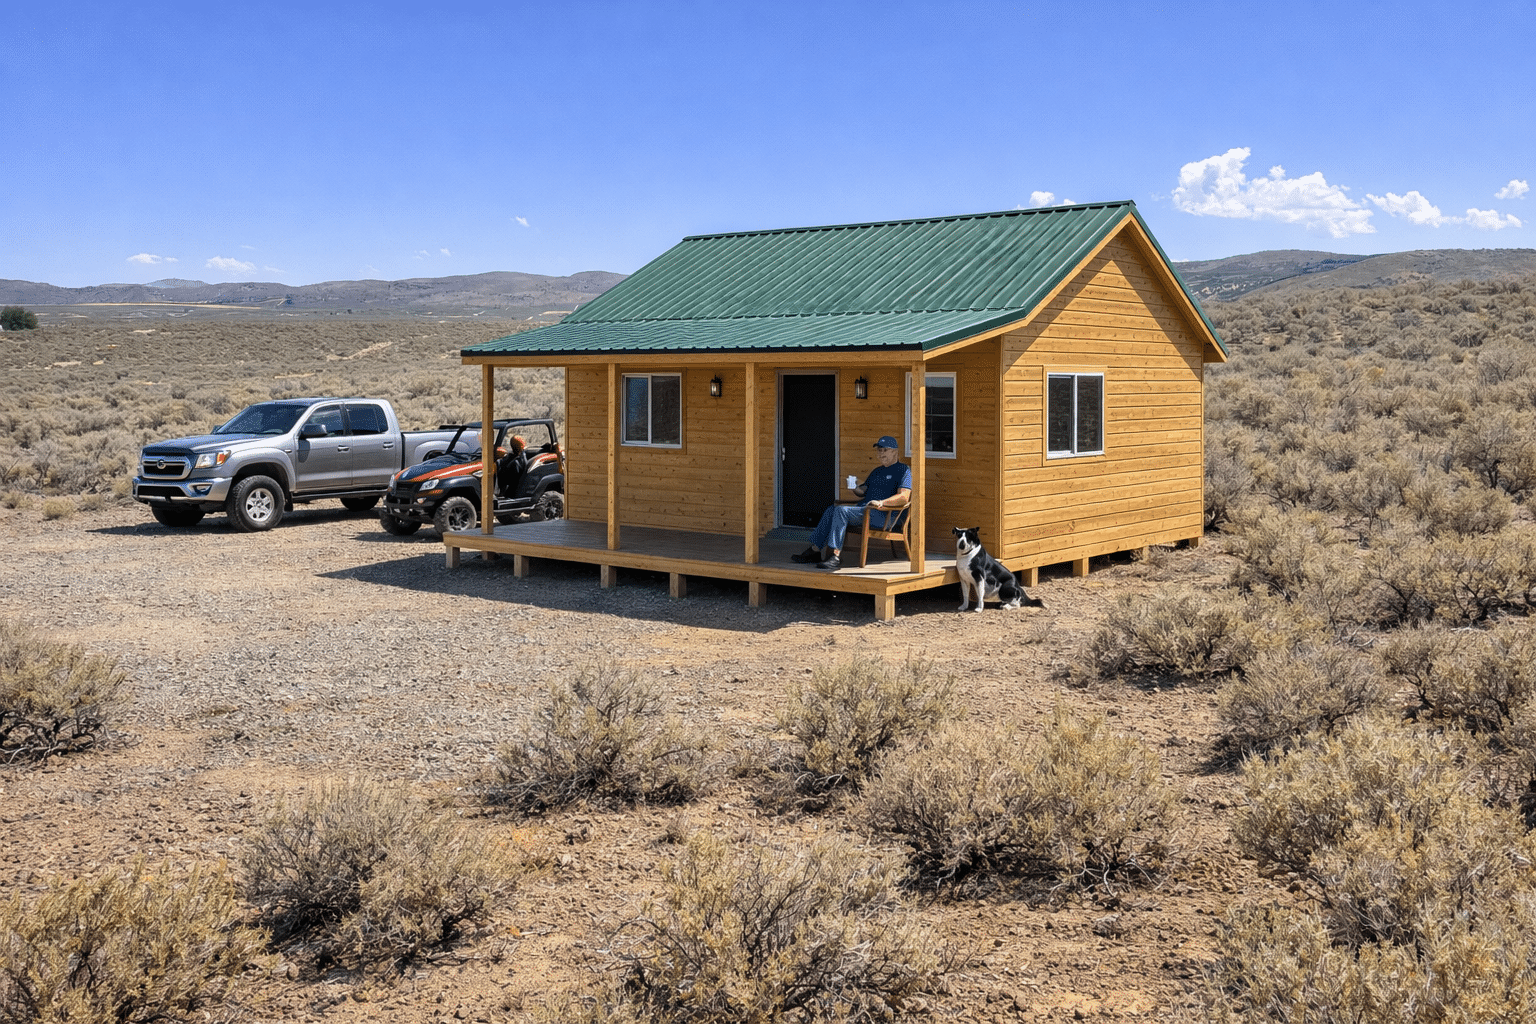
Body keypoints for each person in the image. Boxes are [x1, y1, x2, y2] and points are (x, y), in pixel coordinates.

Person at [790, 435, 912, 570]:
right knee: (832, 509)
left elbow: (904, 497)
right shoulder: (877, 471)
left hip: (884, 516)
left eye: (885, 450)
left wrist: (881, 503)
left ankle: (834, 556)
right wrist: (855, 487)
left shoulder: (903, 470)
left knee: (842, 511)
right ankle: (815, 550)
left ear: (895, 451)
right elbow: (863, 491)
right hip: (865, 511)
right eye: (879, 450)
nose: (881, 453)